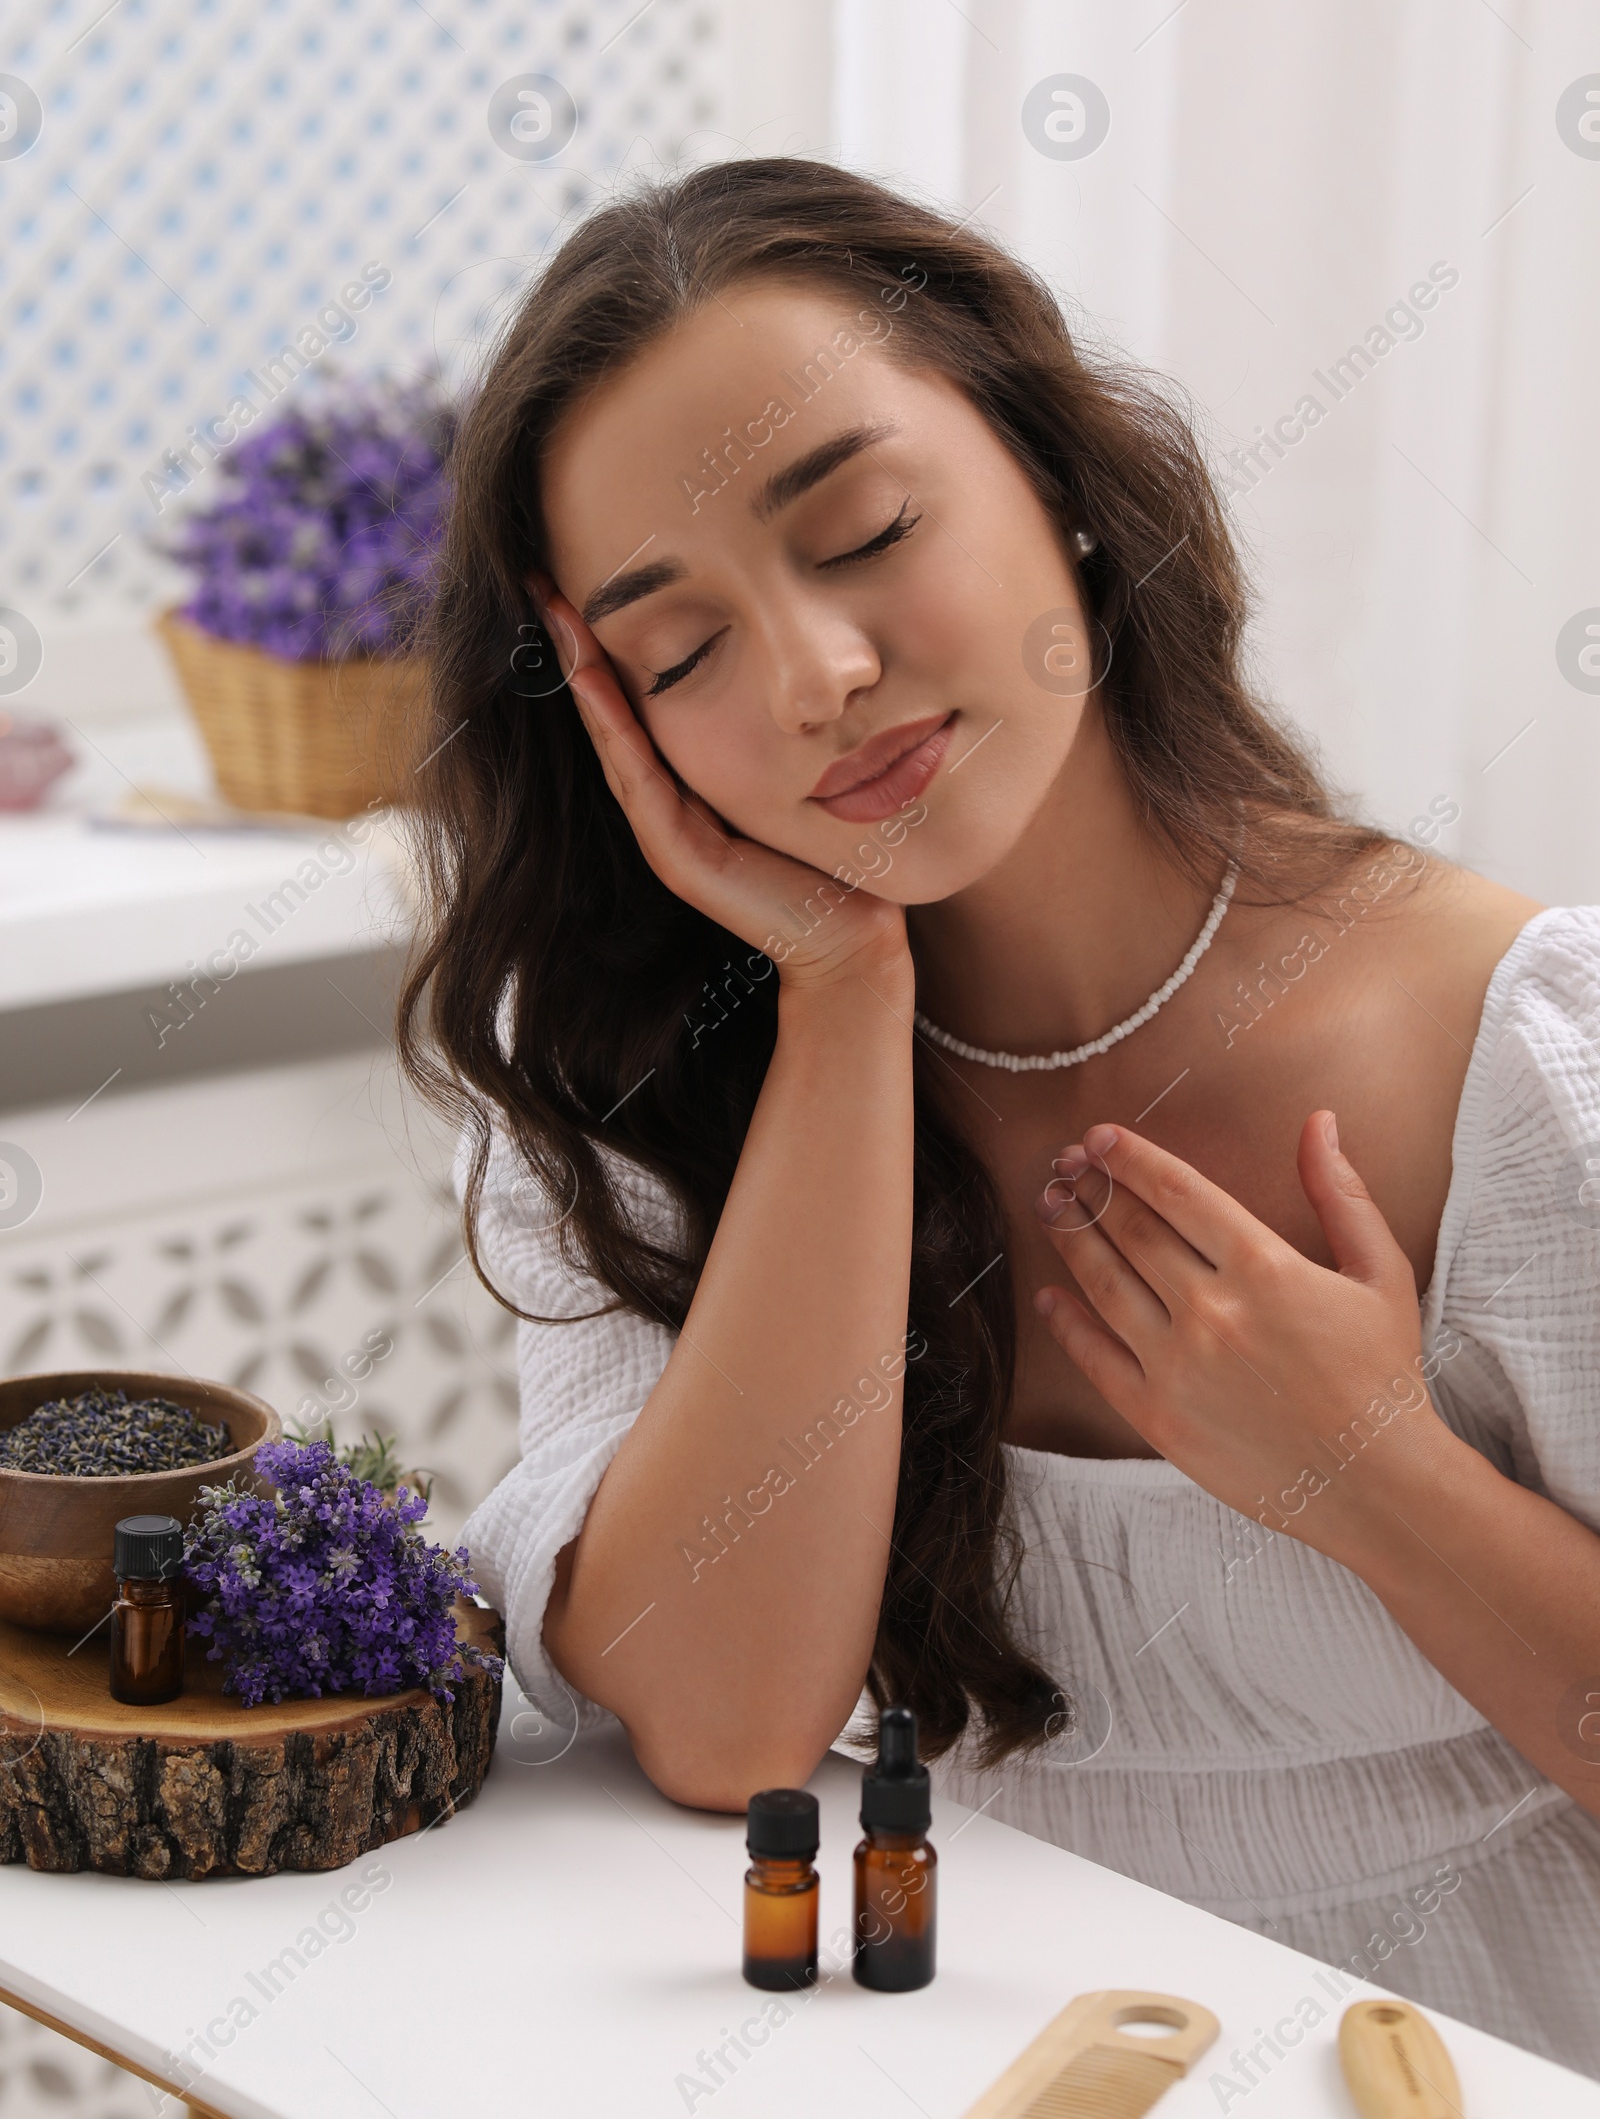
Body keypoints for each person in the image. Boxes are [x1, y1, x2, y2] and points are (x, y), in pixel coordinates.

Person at [397, 157, 1600, 2078]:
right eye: (678, 650)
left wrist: (1372, 1468)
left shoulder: (1533, 1056)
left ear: (1057, 476)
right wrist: (845, 1011)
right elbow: (724, 1724)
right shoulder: (638, 1079)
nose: (814, 677)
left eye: (866, 527)